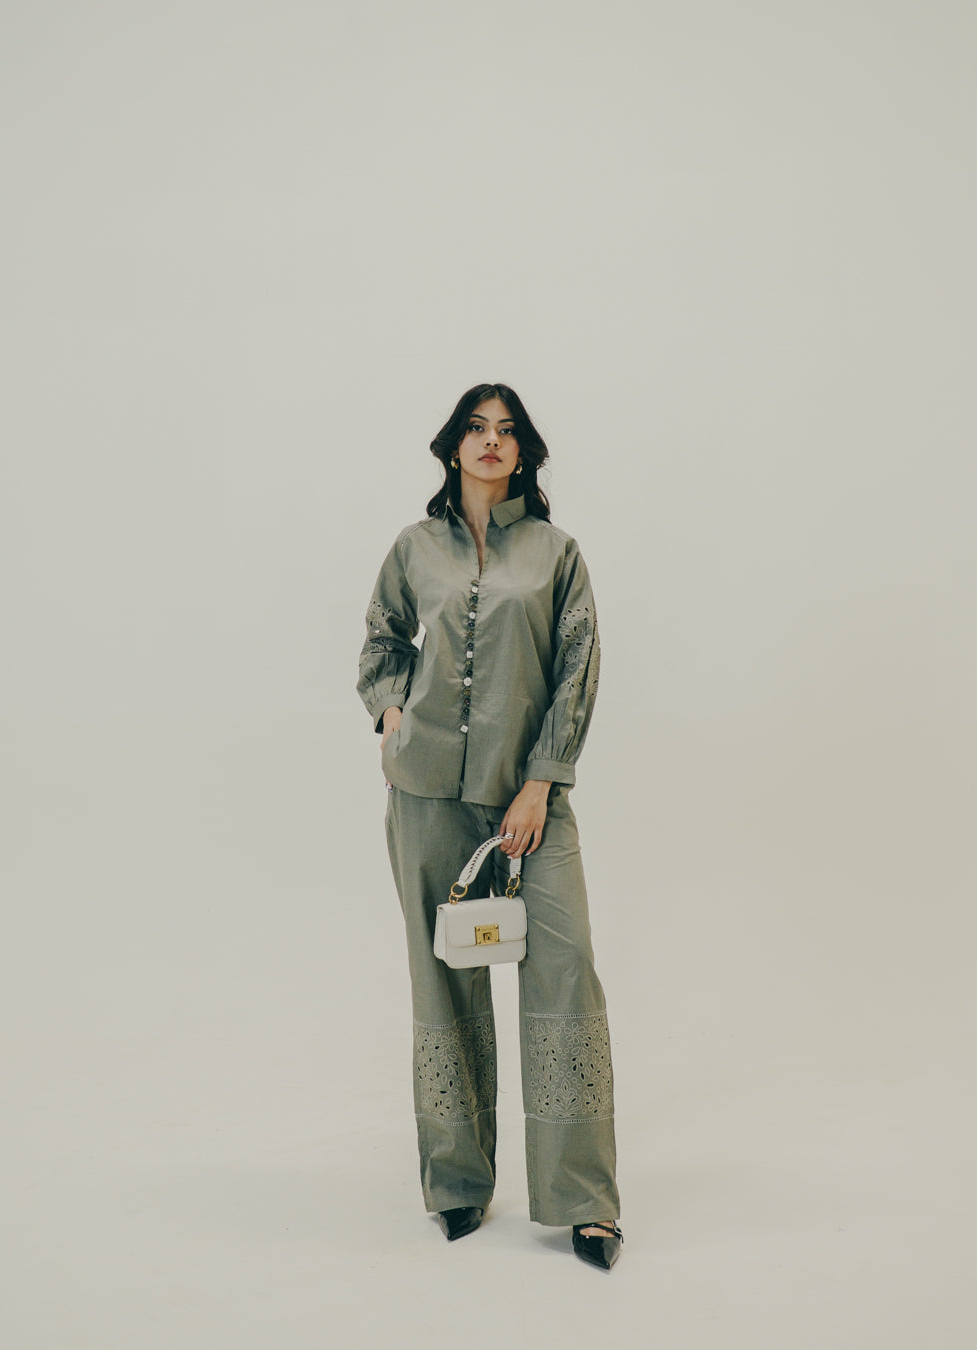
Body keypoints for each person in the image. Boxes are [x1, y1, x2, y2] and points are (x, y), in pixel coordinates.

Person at [356, 383, 623, 1271]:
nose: (491, 441)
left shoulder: (556, 554)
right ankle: (458, 1183)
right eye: (476, 428)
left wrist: (542, 783)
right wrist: (392, 711)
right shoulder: (414, 549)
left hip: (529, 800)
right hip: (426, 793)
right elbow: (382, 641)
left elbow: (577, 669)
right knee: (444, 984)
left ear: (524, 452)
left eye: (507, 431)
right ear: (452, 446)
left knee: (565, 977)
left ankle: (584, 1199)